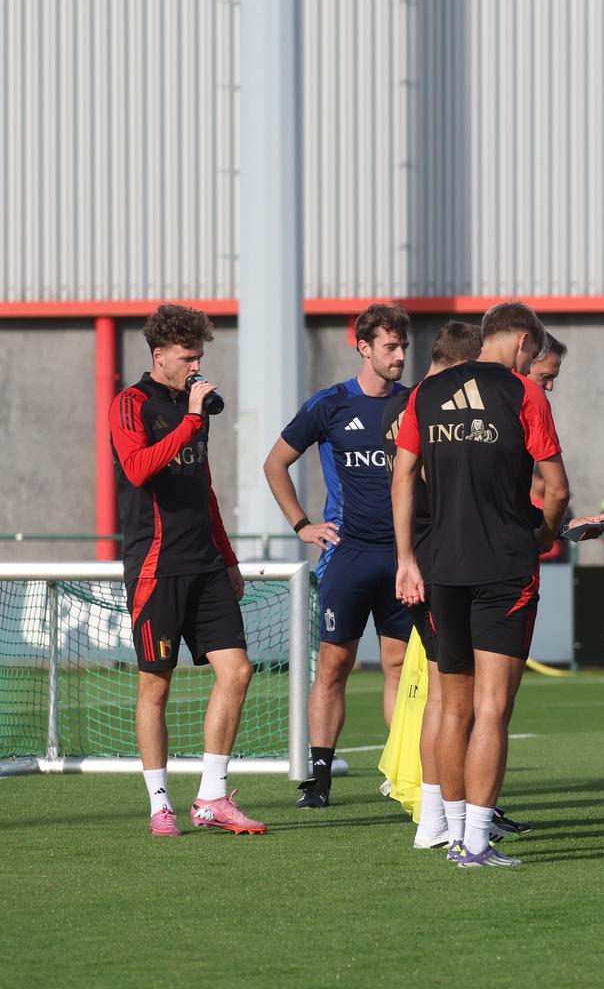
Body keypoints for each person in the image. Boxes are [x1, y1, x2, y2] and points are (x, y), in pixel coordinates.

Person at [393, 302, 570, 868]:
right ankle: (474, 840)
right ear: (521, 341)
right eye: (534, 350)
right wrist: (543, 535)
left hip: (441, 566)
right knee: (491, 709)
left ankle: (449, 834)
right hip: (504, 567)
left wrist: (406, 559)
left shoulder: (426, 393)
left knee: (452, 708)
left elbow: (402, 478)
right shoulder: (525, 393)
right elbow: (557, 488)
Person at [112, 303, 265, 836]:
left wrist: (229, 558)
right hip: (156, 568)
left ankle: (212, 797)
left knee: (237, 672)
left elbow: (204, 488)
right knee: (156, 687)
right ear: (160, 356)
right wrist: (192, 421)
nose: (196, 367)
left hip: (206, 566)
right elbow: (138, 468)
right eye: (187, 358)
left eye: (199, 357)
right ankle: (160, 804)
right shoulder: (130, 404)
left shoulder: (195, 408)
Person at [264, 302, 412, 808]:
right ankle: (319, 779)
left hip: (402, 558)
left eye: (403, 346)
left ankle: (404, 775)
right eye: (390, 346)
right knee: (333, 666)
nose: (399, 355)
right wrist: (302, 525)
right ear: (363, 347)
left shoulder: (414, 404)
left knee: (399, 666)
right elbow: (275, 463)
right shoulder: (330, 404)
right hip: (346, 557)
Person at [383, 320, 483, 849]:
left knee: (442, 695)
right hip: (436, 564)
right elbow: (418, 484)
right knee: (449, 697)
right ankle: (439, 817)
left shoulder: (406, 405)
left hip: (420, 561)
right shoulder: (433, 406)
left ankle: (437, 816)